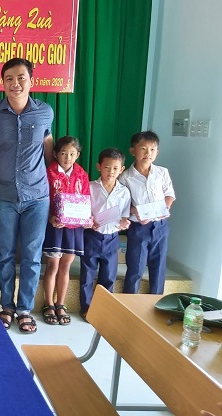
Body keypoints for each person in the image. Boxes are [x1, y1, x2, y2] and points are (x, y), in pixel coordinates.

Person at [0, 57, 54, 334]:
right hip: (4, 195)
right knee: (5, 254)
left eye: (21, 77)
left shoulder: (45, 112)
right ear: (2, 82)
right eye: (9, 78)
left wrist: (45, 178)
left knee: (32, 255)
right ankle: (7, 306)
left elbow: (48, 147)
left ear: (32, 80)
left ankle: (25, 309)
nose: (15, 83)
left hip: (37, 196)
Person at [41, 136, 91, 326]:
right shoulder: (49, 173)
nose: (67, 158)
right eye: (63, 153)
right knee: (52, 266)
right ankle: (48, 304)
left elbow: (85, 199)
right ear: (55, 154)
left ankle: (60, 304)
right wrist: (50, 217)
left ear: (77, 155)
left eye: (72, 154)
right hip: (54, 227)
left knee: (65, 266)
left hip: (74, 229)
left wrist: (85, 218)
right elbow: (43, 199)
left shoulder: (82, 174)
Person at [119, 131, 175, 294]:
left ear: (157, 152)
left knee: (158, 265)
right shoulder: (125, 177)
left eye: (152, 149)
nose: (148, 153)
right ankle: (130, 301)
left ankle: (156, 300)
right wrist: (135, 211)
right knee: (135, 266)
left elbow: (169, 194)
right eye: (143, 148)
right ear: (133, 151)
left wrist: (165, 207)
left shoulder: (162, 172)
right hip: (139, 227)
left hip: (160, 225)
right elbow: (122, 203)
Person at [80, 148, 131, 320]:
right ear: (99, 167)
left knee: (108, 275)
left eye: (115, 168)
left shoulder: (124, 192)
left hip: (112, 238)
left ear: (122, 169)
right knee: (87, 274)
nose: (111, 172)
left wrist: (125, 223)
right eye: (107, 167)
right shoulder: (90, 187)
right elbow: (84, 210)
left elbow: (124, 216)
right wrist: (89, 220)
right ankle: (86, 308)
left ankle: (104, 309)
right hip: (92, 236)